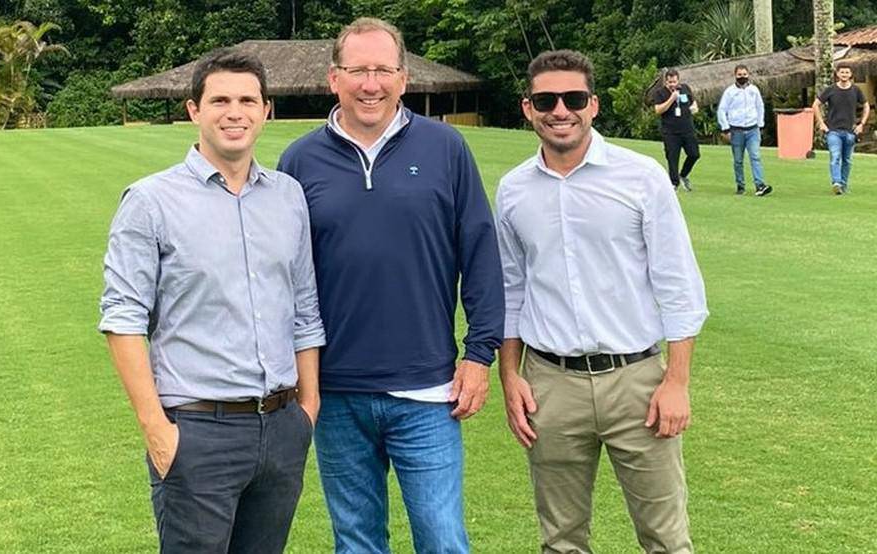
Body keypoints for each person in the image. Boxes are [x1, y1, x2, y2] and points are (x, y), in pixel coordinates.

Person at [277, 17, 504, 554]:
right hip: (336, 391)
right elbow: (283, 277)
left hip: (427, 389)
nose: (370, 84)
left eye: (383, 70)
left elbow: (479, 253)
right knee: (356, 543)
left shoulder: (446, 148)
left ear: (404, 77)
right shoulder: (299, 161)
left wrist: (479, 354)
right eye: (358, 70)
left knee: (442, 540)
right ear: (334, 78)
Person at [98, 50, 325, 553]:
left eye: (247, 100)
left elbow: (305, 311)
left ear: (266, 111)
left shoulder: (288, 197)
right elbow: (122, 319)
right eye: (220, 100)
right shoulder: (151, 202)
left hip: (282, 428)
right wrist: (157, 430)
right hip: (198, 433)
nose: (234, 112)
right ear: (193, 110)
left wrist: (307, 409)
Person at [497, 49, 708, 554]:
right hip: (550, 384)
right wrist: (509, 375)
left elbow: (678, 282)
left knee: (666, 540)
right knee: (561, 542)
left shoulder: (641, 177)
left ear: (593, 105)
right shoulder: (513, 190)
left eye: (573, 99)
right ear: (528, 109)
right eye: (546, 101)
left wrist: (677, 382)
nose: (560, 111)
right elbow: (510, 289)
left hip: (636, 381)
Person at [812, 63, 870, 195]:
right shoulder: (830, 89)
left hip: (850, 132)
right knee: (835, 157)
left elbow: (866, 105)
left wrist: (862, 124)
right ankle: (836, 183)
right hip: (833, 131)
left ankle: (843, 186)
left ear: (851, 74)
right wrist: (821, 123)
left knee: (847, 160)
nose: (844, 74)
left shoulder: (856, 90)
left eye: (847, 72)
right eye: (842, 72)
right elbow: (815, 105)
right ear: (837, 74)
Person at [717, 64, 772, 196]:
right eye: (740, 75)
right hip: (736, 130)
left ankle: (760, 185)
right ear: (735, 76)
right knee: (738, 160)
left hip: (752, 129)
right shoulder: (730, 92)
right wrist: (725, 128)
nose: (742, 77)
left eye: (744, 74)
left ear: (748, 75)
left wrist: (760, 123)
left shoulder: (754, 90)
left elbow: (760, 106)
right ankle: (740, 185)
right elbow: (722, 110)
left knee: (755, 156)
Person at [651, 68, 700, 191]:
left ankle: (683, 175)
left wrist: (694, 107)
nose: (672, 85)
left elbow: (693, 102)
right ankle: (674, 183)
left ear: (678, 81)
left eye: (674, 82)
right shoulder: (660, 93)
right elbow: (658, 110)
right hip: (670, 132)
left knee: (694, 154)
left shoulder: (685, 88)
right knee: (672, 158)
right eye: (669, 82)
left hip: (687, 129)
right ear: (665, 82)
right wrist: (672, 99)